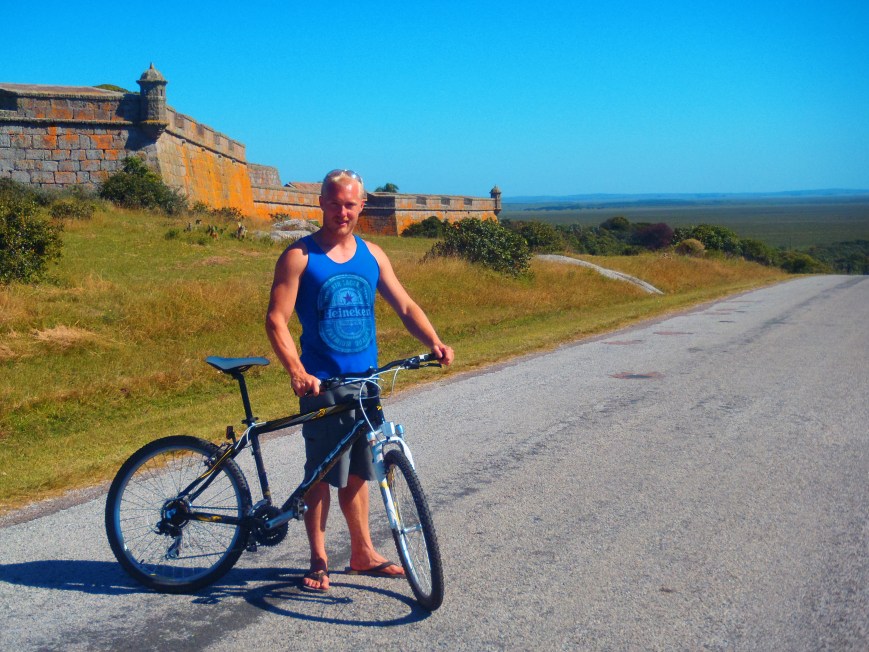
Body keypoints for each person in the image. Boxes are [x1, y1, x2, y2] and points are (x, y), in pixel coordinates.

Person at [265, 169, 454, 593]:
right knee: (320, 474)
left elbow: (404, 305)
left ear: (362, 206)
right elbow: (276, 319)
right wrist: (297, 370)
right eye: (335, 203)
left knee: (360, 473)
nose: (342, 212)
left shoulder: (373, 254)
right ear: (321, 203)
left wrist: (435, 342)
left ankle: (363, 553)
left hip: (367, 383)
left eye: (351, 204)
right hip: (324, 385)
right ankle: (318, 560)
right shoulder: (300, 256)